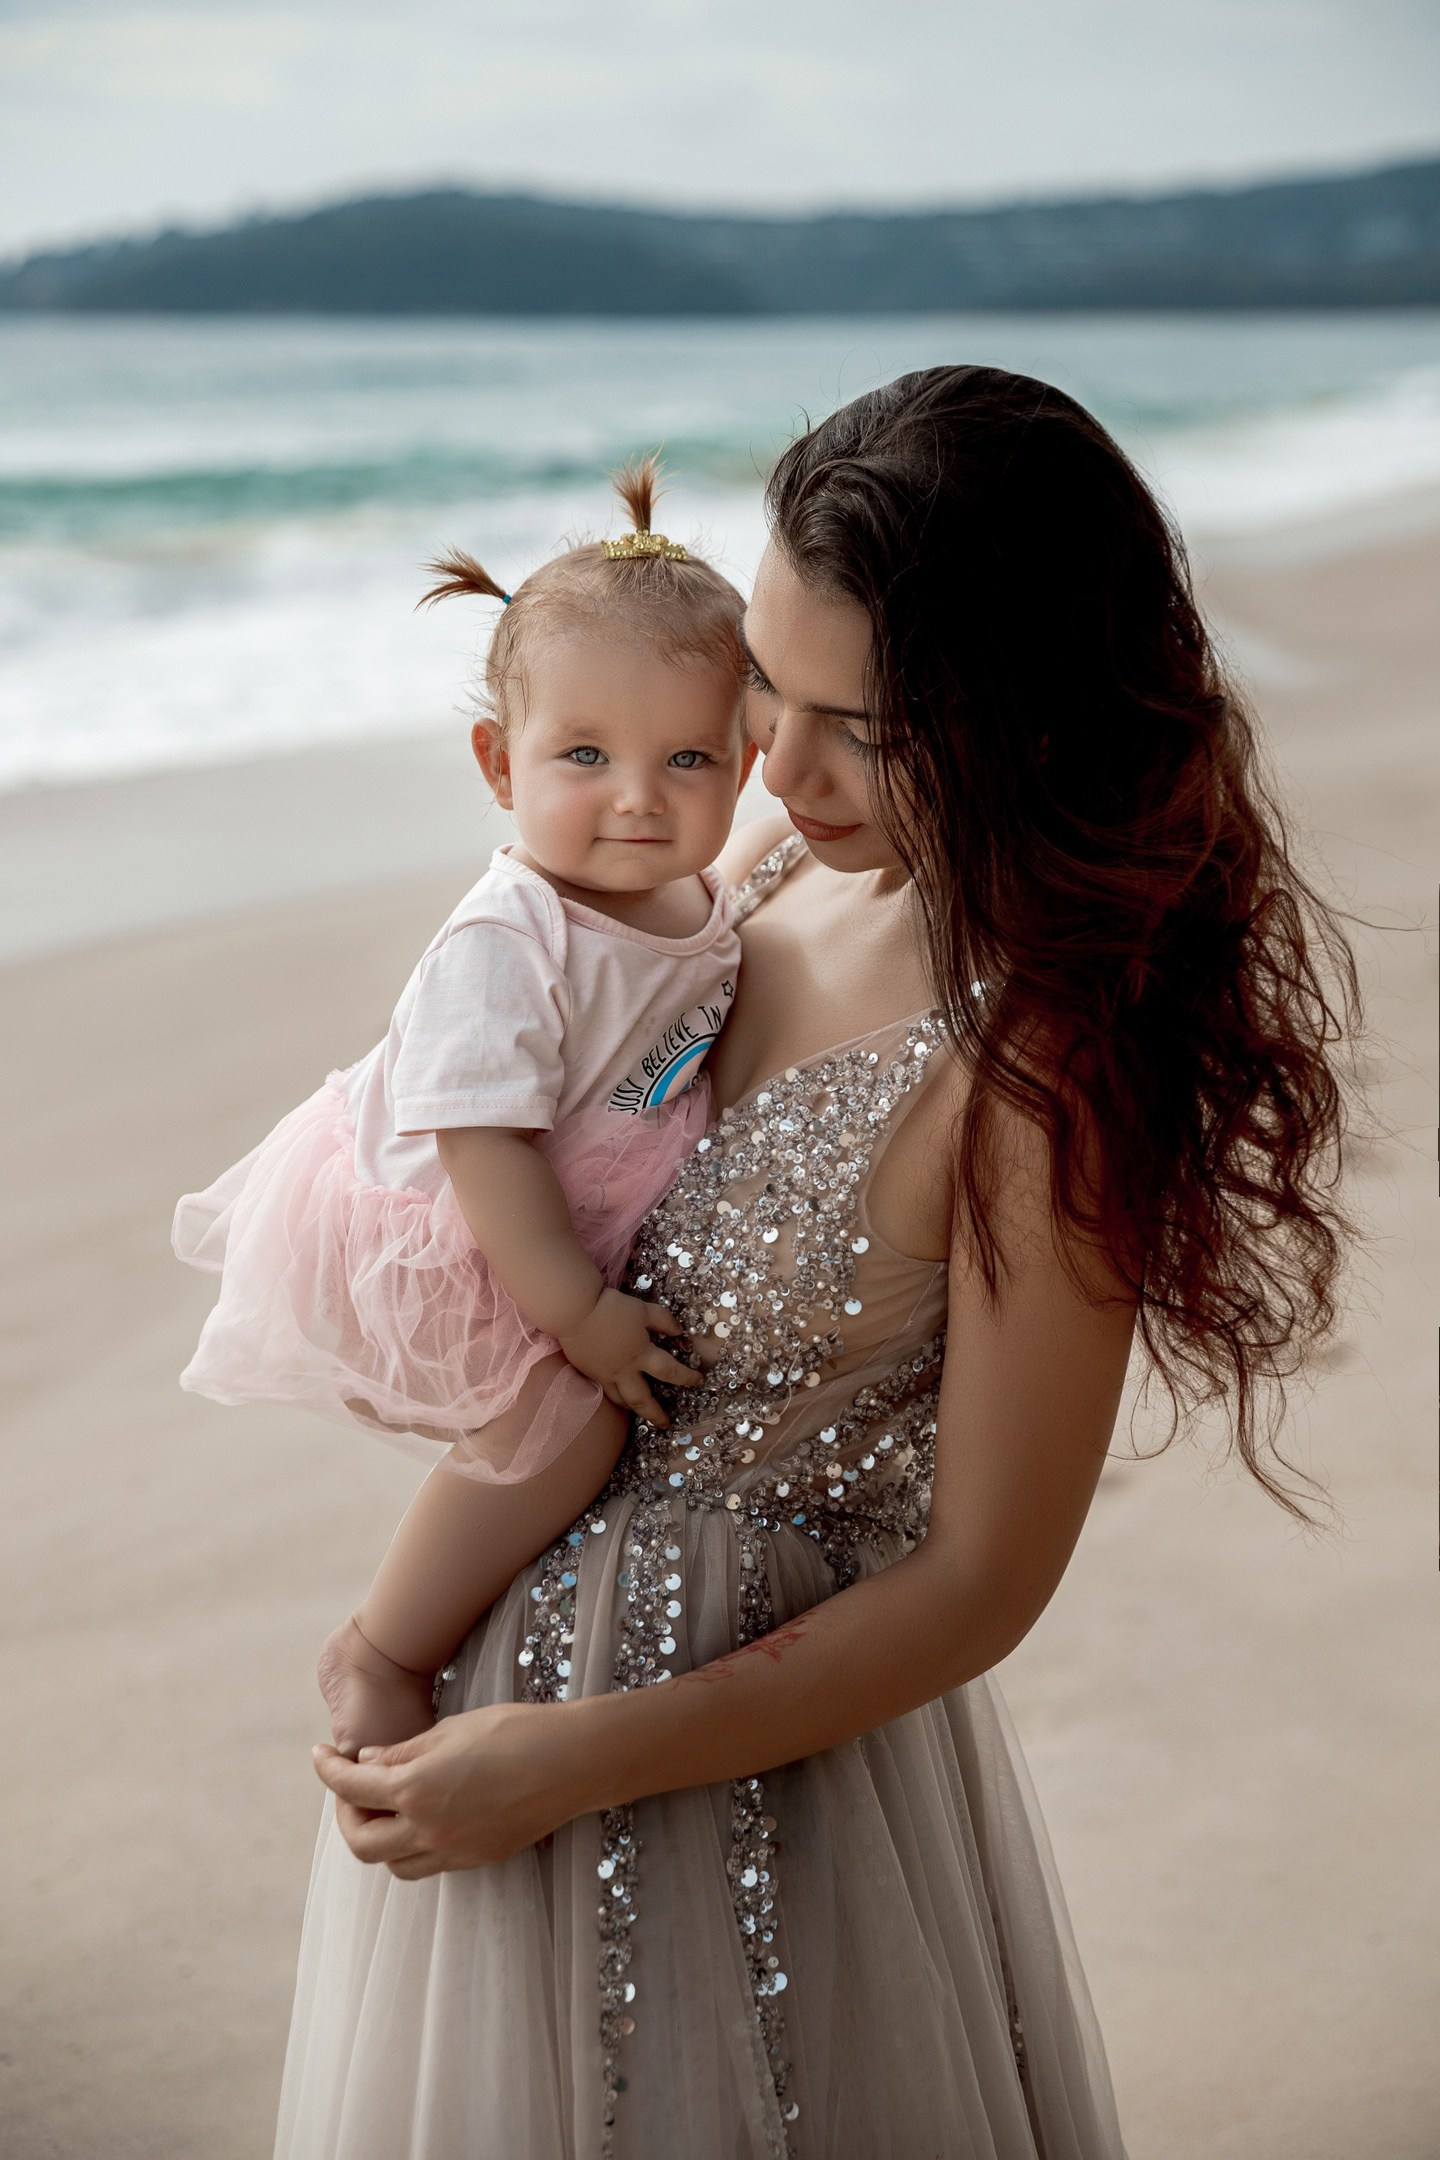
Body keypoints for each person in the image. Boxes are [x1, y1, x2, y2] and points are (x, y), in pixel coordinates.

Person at [283, 366, 1355, 2159]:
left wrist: (575, 1756)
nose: (779, 764)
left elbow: (981, 1583)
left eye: (868, 722)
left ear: (1023, 717)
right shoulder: (776, 873)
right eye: (771, 683)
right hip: (497, 1709)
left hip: (743, 1788)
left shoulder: (1042, 1056)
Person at [174, 459, 756, 1756]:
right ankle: (384, 1643)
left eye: (687, 758)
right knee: (559, 1426)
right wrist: (580, 1312)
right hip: (461, 1223)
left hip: (568, 1192)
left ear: (746, 758)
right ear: (501, 762)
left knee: (584, 1424)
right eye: (586, 755)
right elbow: (478, 1140)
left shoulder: (700, 903)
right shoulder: (509, 936)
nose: (637, 797)